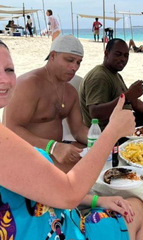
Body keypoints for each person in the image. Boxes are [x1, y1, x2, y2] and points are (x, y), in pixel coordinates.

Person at [0, 32, 143, 240]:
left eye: (9, 70)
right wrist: (113, 131)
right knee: (137, 208)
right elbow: (69, 194)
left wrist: (97, 199)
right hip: (54, 231)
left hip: (36, 221)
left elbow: (26, 184)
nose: (5, 80)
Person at [5, 35, 89, 173]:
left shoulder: (70, 91)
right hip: (26, 156)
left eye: (78, 62)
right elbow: (10, 129)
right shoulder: (29, 84)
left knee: (99, 164)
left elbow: (78, 129)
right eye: (69, 60)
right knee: (85, 176)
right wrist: (53, 147)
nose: (74, 67)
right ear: (53, 56)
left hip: (56, 152)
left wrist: (101, 141)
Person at [80, 38, 143, 129]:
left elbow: (135, 103)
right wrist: (126, 97)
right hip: (109, 134)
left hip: (122, 125)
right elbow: (95, 113)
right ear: (106, 54)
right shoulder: (99, 77)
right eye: (118, 54)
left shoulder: (114, 74)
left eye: (126, 55)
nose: (123, 59)